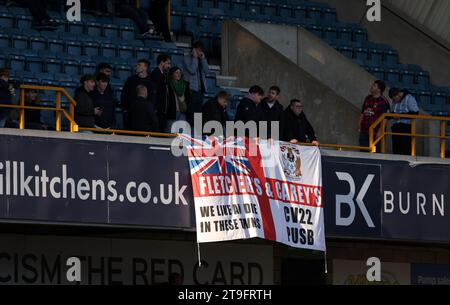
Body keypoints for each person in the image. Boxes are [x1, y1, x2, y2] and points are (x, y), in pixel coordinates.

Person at [121, 59, 157, 130]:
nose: (137, 66)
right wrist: (125, 109)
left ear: (145, 67)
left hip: (144, 115)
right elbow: (124, 94)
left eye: (139, 65)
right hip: (131, 113)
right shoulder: (131, 80)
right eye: (137, 65)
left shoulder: (151, 82)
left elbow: (153, 99)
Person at [359, 80, 390, 150]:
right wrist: (359, 124)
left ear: (379, 89)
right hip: (364, 130)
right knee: (363, 151)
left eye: (374, 86)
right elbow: (363, 112)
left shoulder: (383, 101)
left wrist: (380, 131)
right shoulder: (368, 98)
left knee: (375, 153)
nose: (371, 87)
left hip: (376, 132)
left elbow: (385, 118)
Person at [389, 87, 420, 155]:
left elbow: (415, 113)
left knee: (405, 149)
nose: (395, 100)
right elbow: (393, 112)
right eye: (393, 99)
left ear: (399, 94)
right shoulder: (395, 101)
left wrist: (400, 116)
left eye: (395, 98)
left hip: (406, 127)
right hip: (396, 127)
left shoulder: (409, 98)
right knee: (396, 150)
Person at [183, 41, 210, 116]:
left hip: (201, 91)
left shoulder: (201, 59)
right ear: (194, 50)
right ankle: (190, 127)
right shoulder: (187, 58)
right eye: (198, 50)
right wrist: (195, 58)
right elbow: (192, 70)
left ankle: (196, 127)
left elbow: (207, 71)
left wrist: (203, 59)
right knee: (191, 113)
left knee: (198, 114)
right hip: (191, 91)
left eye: (201, 50)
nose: (200, 52)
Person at [150, 54, 171, 132]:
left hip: (162, 109)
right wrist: (155, 108)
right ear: (162, 62)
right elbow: (155, 93)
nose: (169, 66)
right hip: (158, 110)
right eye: (168, 63)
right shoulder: (156, 74)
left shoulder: (163, 75)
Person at [167, 66, 191, 132]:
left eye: (180, 73)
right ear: (172, 74)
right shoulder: (168, 84)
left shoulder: (185, 84)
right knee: (171, 133)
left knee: (182, 135)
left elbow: (188, 98)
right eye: (176, 73)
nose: (178, 74)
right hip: (172, 112)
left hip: (182, 112)